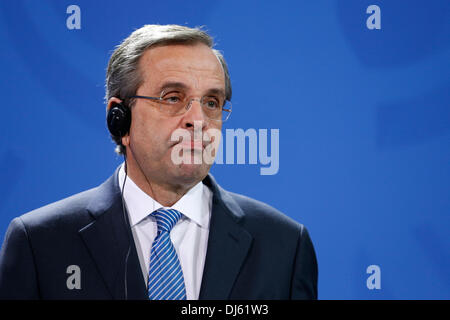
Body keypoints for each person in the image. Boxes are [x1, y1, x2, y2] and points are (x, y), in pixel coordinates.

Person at [0, 24, 318, 300]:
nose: (199, 119)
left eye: (212, 102)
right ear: (119, 119)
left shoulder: (284, 246)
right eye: (172, 97)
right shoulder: (40, 243)